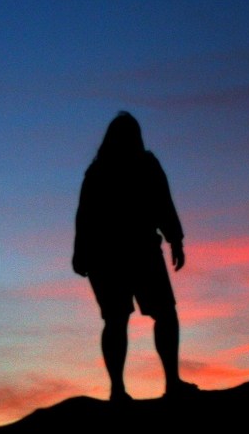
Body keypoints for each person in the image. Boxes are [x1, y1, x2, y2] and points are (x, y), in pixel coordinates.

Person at [72, 112, 197, 402]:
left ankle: (157, 384)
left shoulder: (115, 169)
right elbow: (86, 216)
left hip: (129, 253)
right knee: (127, 318)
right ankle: (127, 388)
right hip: (121, 254)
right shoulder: (106, 171)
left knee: (147, 315)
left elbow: (162, 203)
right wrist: (175, 240)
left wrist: (176, 238)